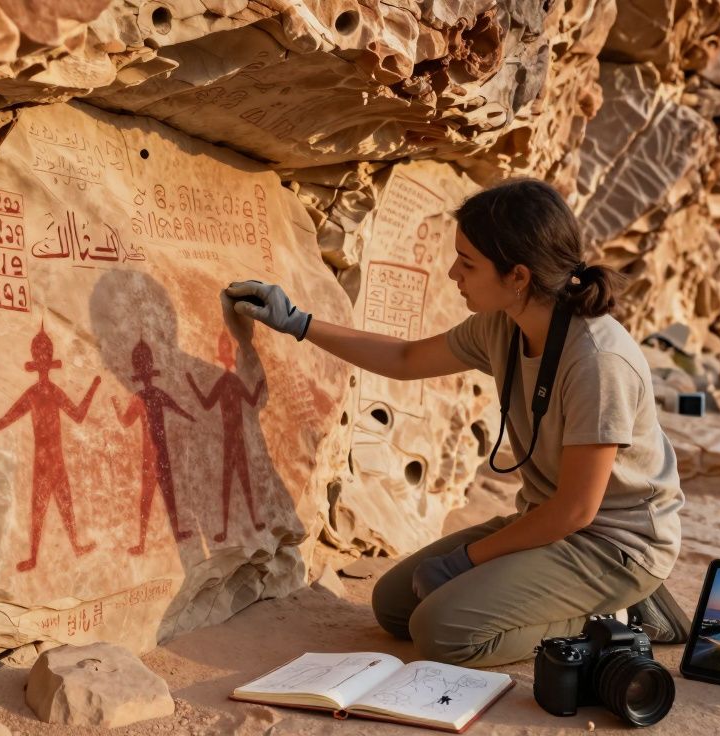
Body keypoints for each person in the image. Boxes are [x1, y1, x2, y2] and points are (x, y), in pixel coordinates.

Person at [223, 177, 688, 668]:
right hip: (550, 527)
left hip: (614, 547)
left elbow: (575, 511)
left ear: (519, 277)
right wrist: (298, 322)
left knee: (442, 634)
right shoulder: (502, 325)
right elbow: (404, 358)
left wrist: (467, 560)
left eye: (467, 262)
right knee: (396, 605)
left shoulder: (598, 360)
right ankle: (553, 600)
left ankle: (611, 619)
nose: (451, 273)